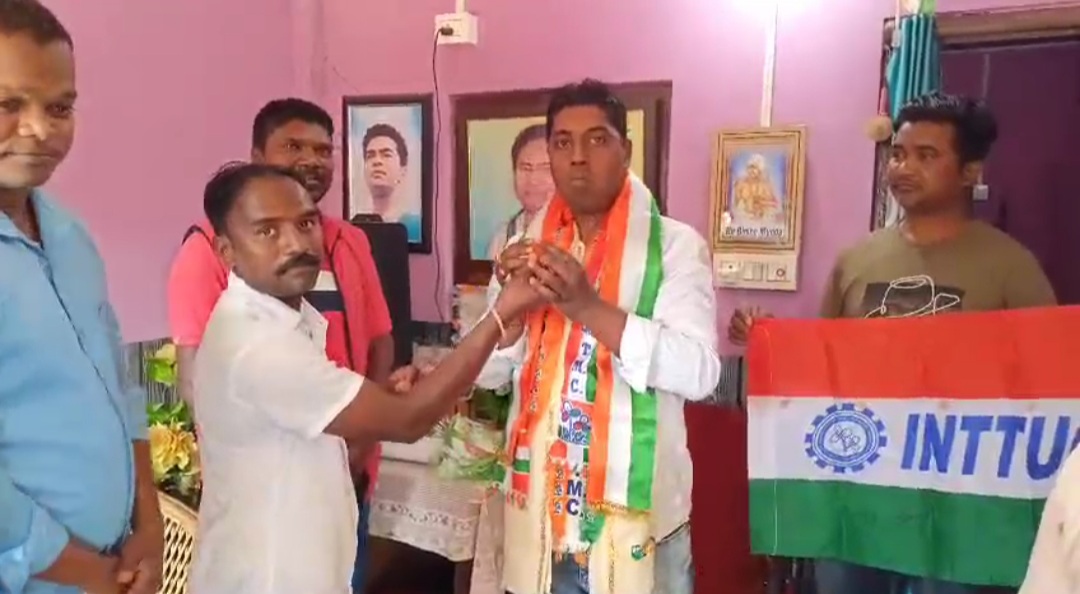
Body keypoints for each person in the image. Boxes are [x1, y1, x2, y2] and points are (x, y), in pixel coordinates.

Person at [729, 93, 1057, 594]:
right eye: (899, 154)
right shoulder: (857, 260)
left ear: (970, 171)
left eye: (926, 155)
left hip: (960, 515)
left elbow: (1046, 386)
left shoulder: (1011, 267)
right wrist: (772, 342)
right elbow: (824, 375)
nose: (903, 167)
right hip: (859, 504)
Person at [187, 162, 545, 594]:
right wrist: (500, 315)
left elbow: (314, 415)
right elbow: (407, 421)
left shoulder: (286, 319)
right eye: (267, 231)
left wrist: (380, 397)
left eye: (306, 224)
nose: (296, 244)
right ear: (227, 252)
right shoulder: (257, 343)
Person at [478, 79, 722, 594]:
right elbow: (491, 375)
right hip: (540, 522)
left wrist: (587, 307)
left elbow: (700, 372)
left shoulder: (675, 248)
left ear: (625, 151)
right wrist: (511, 315)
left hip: (639, 523)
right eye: (562, 142)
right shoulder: (526, 248)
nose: (578, 157)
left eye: (597, 139)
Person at [166, 98, 393, 591]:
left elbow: (380, 341)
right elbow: (197, 378)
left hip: (348, 472)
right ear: (257, 156)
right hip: (272, 488)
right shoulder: (207, 251)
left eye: (323, 150)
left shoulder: (349, 242)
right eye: (293, 146)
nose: (311, 160)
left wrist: (361, 440)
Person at [0, 1, 163, 593]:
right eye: (8, 105)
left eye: (59, 108)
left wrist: (150, 524)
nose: (39, 130)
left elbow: (121, 390)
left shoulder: (71, 236)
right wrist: (89, 574)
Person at [486, 123, 555, 261]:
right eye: (526, 168)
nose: (533, 180)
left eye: (545, 169)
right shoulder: (502, 237)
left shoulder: (578, 236)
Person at [361, 122, 421, 242]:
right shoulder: (356, 229)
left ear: (403, 169)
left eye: (386, 155)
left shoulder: (414, 226)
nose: (377, 161)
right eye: (370, 156)